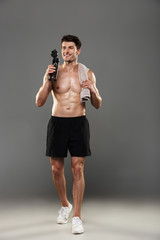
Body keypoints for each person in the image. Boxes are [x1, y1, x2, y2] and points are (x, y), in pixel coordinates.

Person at [35, 35, 102, 234]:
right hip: (57, 122)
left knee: (77, 169)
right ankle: (65, 205)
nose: (66, 51)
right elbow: (39, 101)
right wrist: (47, 81)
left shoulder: (87, 73)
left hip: (78, 122)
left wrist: (93, 90)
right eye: (64, 48)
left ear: (78, 51)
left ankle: (77, 217)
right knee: (56, 169)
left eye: (70, 48)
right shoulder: (53, 72)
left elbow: (97, 104)